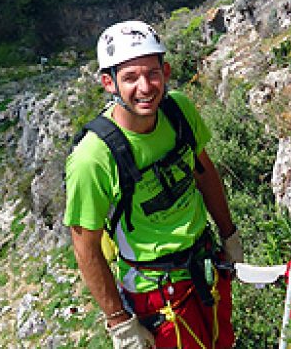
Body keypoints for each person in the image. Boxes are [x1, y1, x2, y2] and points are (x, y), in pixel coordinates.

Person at [64, 20, 243, 349]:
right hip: (155, 292)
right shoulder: (93, 158)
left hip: (205, 265)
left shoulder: (178, 110)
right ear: (109, 82)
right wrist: (119, 321)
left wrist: (229, 235)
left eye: (152, 73)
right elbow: (85, 247)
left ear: (166, 72)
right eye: (130, 77)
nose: (145, 87)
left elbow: (204, 173)